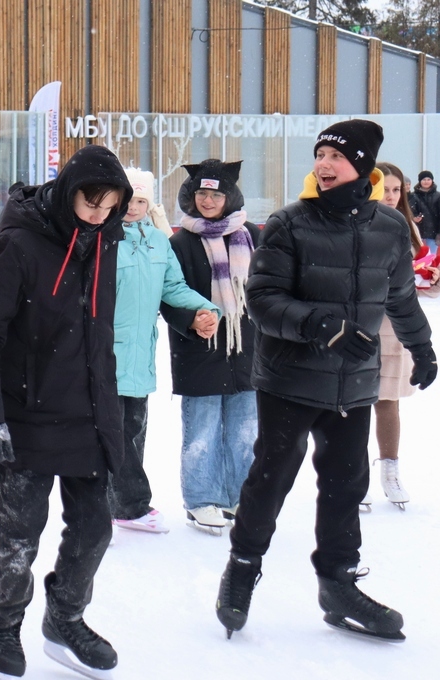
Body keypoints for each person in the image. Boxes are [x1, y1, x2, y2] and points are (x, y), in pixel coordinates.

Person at [217, 120, 435, 643]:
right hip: (289, 380)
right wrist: (319, 325)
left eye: (336, 156)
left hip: (353, 386)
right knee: (270, 480)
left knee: (345, 486)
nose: (324, 163)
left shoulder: (387, 228)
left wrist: (422, 345)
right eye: (320, 154)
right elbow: (262, 301)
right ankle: (242, 571)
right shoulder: (290, 224)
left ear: (363, 167)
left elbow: (400, 297)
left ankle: (337, 583)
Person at [0, 145, 132, 679]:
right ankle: (2, 627)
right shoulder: (19, 247)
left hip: (91, 414)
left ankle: (65, 619)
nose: (100, 216)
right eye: (91, 204)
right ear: (68, 193)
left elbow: (96, 337)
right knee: (19, 536)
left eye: (110, 207)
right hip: (27, 418)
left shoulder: (106, 243)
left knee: (95, 527)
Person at [108, 168, 219, 534]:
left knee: (134, 429)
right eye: (127, 200)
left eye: (140, 200)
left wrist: (205, 309)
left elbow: (173, 287)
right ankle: (117, 507)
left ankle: (122, 506)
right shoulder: (101, 239)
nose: (132, 207)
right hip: (105, 354)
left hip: (140, 356)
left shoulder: (158, 241)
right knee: (111, 433)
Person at [161, 160, 261, 535]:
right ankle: (202, 499)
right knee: (201, 433)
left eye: (216, 193)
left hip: (247, 350)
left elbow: (267, 291)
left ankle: (242, 497)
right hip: (200, 352)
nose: (207, 200)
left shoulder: (252, 235)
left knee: (246, 432)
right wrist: (190, 319)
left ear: (229, 197)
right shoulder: (180, 243)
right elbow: (168, 295)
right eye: (201, 193)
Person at [367, 162, 428, 511]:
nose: (390, 196)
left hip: (395, 326)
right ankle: (352, 473)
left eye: (395, 190)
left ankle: (390, 470)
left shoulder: (407, 229)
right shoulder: (354, 221)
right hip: (360, 321)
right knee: (353, 402)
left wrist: (429, 282)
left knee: (387, 399)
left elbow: (413, 281)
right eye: (384, 189)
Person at [412, 170, 439, 251]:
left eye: (428, 179)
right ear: (420, 181)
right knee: (418, 258)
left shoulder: (438, 196)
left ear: (432, 181)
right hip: (417, 232)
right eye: (424, 179)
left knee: (430, 257)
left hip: (433, 233)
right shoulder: (413, 196)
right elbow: (410, 211)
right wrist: (414, 217)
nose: (426, 182)